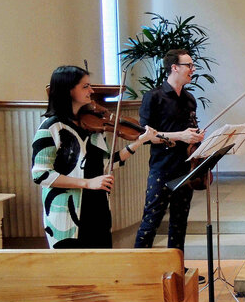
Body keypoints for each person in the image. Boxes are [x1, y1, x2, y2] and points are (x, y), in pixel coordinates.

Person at [32, 65, 158, 248]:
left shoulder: (93, 128)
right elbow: (40, 174)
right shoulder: (51, 127)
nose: (91, 90)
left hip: (98, 208)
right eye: (85, 86)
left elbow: (106, 164)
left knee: (102, 268)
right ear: (68, 90)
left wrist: (139, 141)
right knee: (75, 271)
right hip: (67, 215)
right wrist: (87, 183)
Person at [134, 49, 205, 256]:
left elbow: (188, 130)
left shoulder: (190, 99)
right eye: (188, 65)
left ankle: (176, 270)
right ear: (174, 67)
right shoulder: (153, 97)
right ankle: (139, 270)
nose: (193, 69)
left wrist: (196, 136)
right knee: (151, 221)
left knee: (180, 222)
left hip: (186, 167)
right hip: (162, 168)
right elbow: (146, 136)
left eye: (192, 65)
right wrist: (180, 136)